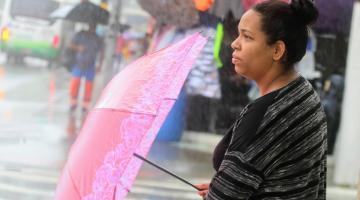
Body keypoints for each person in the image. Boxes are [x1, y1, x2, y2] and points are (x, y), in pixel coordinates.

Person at [196, 0, 327, 199]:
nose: (234, 43)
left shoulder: (266, 115)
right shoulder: (304, 93)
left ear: (277, 50)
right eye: (238, 34)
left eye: (247, 37)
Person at [68, 23, 104, 114]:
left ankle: (85, 106)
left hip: (90, 66)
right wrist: (78, 48)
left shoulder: (97, 38)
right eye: (92, 25)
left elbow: (101, 53)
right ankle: (73, 104)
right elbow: (71, 45)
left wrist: (99, 65)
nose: (93, 27)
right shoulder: (80, 35)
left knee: (89, 87)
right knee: (75, 84)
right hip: (78, 64)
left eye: (94, 26)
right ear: (88, 25)